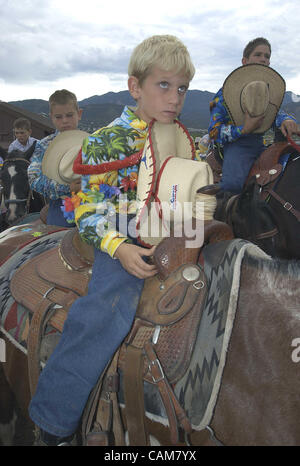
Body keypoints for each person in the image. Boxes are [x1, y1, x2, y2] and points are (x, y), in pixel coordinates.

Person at [29, 34, 196, 445]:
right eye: (164, 85)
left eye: (182, 88)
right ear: (135, 87)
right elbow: (87, 209)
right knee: (106, 310)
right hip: (119, 227)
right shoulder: (111, 141)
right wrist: (119, 248)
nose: (175, 98)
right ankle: (53, 422)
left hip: (170, 224)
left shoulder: (177, 134)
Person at [208, 37, 299, 194]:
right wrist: (243, 129)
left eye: (267, 56)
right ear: (244, 60)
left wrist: (287, 120)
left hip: (260, 144)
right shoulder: (222, 96)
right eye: (258, 54)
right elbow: (214, 132)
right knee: (232, 185)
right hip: (235, 146)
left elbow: (275, 113)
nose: (263, 59)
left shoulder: (267, 95)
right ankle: (224, 213)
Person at [27, 90, 83, 227]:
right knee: (58, 237)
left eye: (69, 115)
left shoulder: (92, 141)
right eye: (59, 117)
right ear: (51, 117)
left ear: (79, 114)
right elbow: (34, 178)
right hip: (61, 203)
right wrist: (66, 187)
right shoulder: (45, 145)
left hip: (95, 200)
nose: (65, 121)